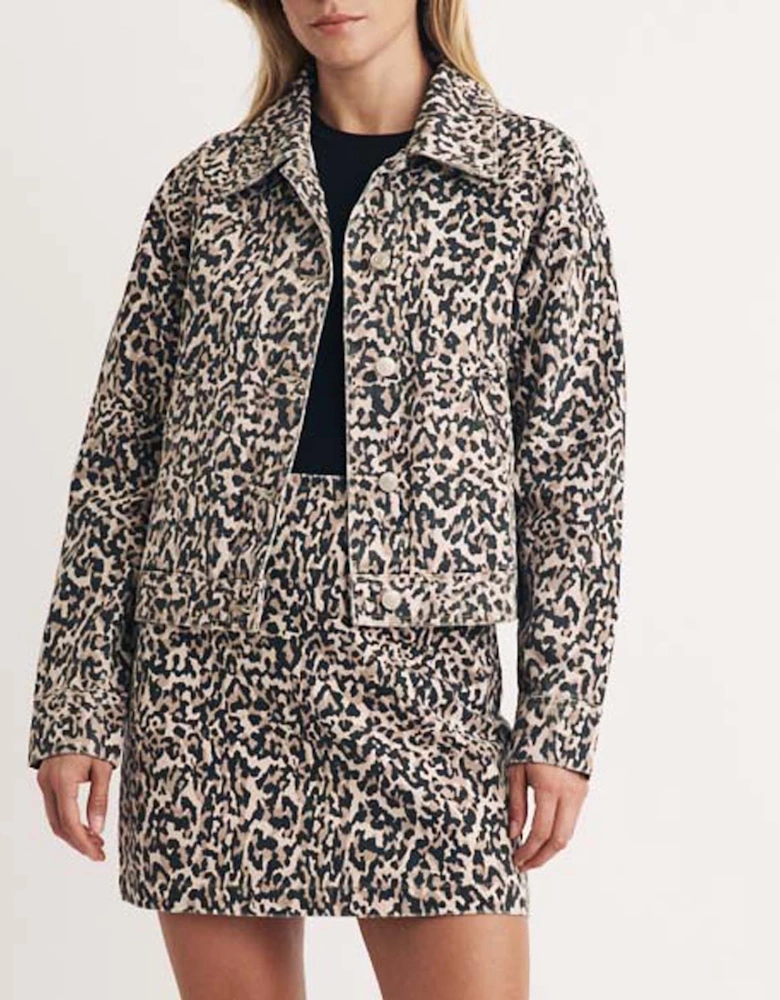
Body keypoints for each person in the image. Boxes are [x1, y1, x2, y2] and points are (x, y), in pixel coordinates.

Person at [27, 1, 626, 997]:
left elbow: (574, 473)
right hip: (208, 685)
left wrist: (557, 723)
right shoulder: (207, 191)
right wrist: (75, 706)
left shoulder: (528, 178)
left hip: (421, 681)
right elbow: (118, 465)